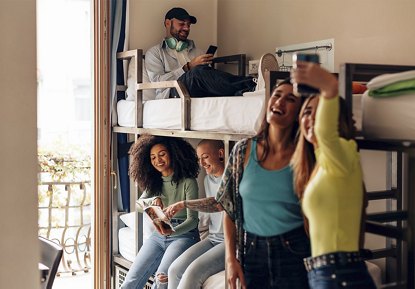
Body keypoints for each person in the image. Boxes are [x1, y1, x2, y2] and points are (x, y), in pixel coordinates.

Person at [216, 79, 311, 289]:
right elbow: (228, 209)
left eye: (290, 99)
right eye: (277, 95)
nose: (279, 102)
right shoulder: (242, 151)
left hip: (295, 251)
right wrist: (231, 259)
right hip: (251, 251)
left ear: (299, 112)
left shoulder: (306, 155)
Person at [290, 62, 376, 289]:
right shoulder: (320, 164)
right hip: (327, 274)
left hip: (339, 275)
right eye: (307, 112)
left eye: (319, 113)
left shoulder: (344, 152)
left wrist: (329, 88)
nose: (310, 119)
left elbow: (326, 134)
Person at [121, 134, 200, 289]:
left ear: (173, 153)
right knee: (131, 280)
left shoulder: (188, 182)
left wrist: (172, 231)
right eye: (153, 157)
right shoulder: (154, 182)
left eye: (162, 154)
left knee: (162, 278)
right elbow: (138, 205)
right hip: (158, 235)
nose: (158, 160)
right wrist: (152, 201)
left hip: (184, 235)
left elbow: (193, 220)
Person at [145, 7, 278, 99]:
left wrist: (205, 70)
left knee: (205, 73)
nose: (186, 28)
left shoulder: (197, 51)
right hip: (172, 93)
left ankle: (251, 88)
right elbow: (157, 82)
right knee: (196, 73)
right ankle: (253, 85)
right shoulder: (155, 53)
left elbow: (211, 79)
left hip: (198, 89)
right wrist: (188, 67)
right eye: (182, 24)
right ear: (168, 23)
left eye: (189, 25)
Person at [164, 139, 226, 289]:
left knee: (192, 273)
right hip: (213, 238)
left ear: (220, 153)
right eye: (199, 159)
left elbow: (217, 204)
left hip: (231, 242)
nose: (202, 163)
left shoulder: (232, 178)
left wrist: (183, 204)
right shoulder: (207, 179)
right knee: (174, 270)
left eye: (205, 157)